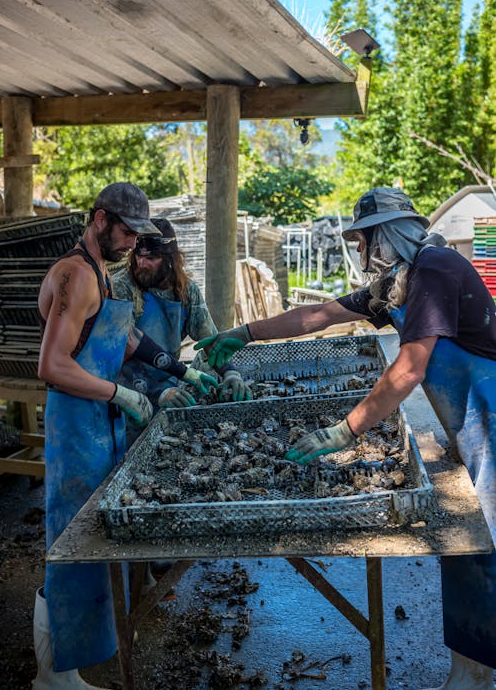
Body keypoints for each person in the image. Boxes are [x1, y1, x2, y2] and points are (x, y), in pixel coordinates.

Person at [198, 187, 496, 690]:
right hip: (464, 424)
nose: (361, 252)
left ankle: (477, 673)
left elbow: (409, 367)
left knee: (485, 547)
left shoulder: (436, 268)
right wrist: (246, 333)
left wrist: (345, 429)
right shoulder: (398, 283)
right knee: (469, 547)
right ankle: (473, 670)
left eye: (364, 240)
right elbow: (319, 315)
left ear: (387, 232)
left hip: (488, 419)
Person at [33, 182, 217, 690]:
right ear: (99, 219)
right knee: (69, 546)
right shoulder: (74, 274)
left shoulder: (102, 273)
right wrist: (119, 393)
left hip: (101, 425)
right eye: (128, 231)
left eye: (140, 234)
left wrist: (177, 370)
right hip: (76, 429)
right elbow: (51, 365)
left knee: (96, 544)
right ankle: (52, 677)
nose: (134, 243)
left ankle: (69, 667)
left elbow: (125, 336)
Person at [112, 216, 251, 440]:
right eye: (138, 255)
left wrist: (231, 372)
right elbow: (114, 356)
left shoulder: (187, 291)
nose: (141, 264)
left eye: (152, 257)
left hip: (171, 387)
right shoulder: (121, 288)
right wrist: (156, 392)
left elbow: (211, 341)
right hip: (128, 392)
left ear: (170, 259)